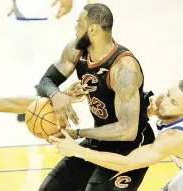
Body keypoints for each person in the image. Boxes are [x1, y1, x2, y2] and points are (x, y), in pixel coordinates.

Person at [36, 3, 155, 191]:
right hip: (101, 138)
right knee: (51, 188)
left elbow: (127, 130)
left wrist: (79, 134)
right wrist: (56, 94)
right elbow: (46, 81)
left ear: (92, 29)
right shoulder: (76, 50)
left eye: (78, 23)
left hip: (131, 146)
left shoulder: (124, 68)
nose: (75, 27)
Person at [51, 79, 183, 191]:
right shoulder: (176, 109)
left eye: (173, 102)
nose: (165, 102)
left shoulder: (175, 137)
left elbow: (125, 163)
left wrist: (77, 150)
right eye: (168, 94)